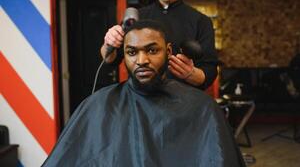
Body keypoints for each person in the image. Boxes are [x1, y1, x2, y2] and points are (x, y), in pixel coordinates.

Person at [43, 20, 245, 167]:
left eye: (152, 51)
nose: (141, 60)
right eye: (132, 52)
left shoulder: (201, 107)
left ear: (168, 51)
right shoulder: (97, 105)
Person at [100, 0, 218, 90]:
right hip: (141, 100)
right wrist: (109, 44)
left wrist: (190, 74)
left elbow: (209, 72)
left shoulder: (200, 21)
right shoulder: (136, 17)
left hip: (183, 102)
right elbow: (110, 60)